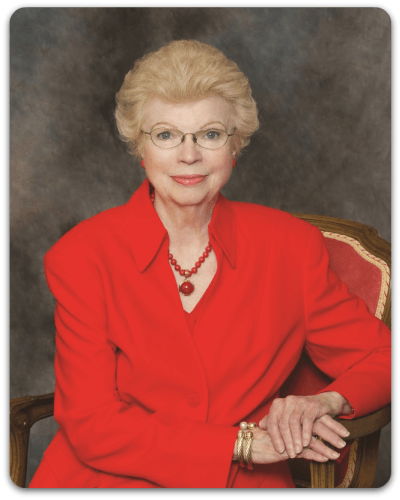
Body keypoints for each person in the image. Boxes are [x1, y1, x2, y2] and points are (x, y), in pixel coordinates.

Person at [29, 40, 390, 488]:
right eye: (166, 135)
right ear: (140, 147)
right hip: (107, 478)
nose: (189, 155)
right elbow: (90, 422)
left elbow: (384, 356)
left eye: (210, 134)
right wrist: (240, 444)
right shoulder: (81, 255)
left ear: (235, 144)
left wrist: (326, 401)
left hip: (240, 484)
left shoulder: (291, 247)